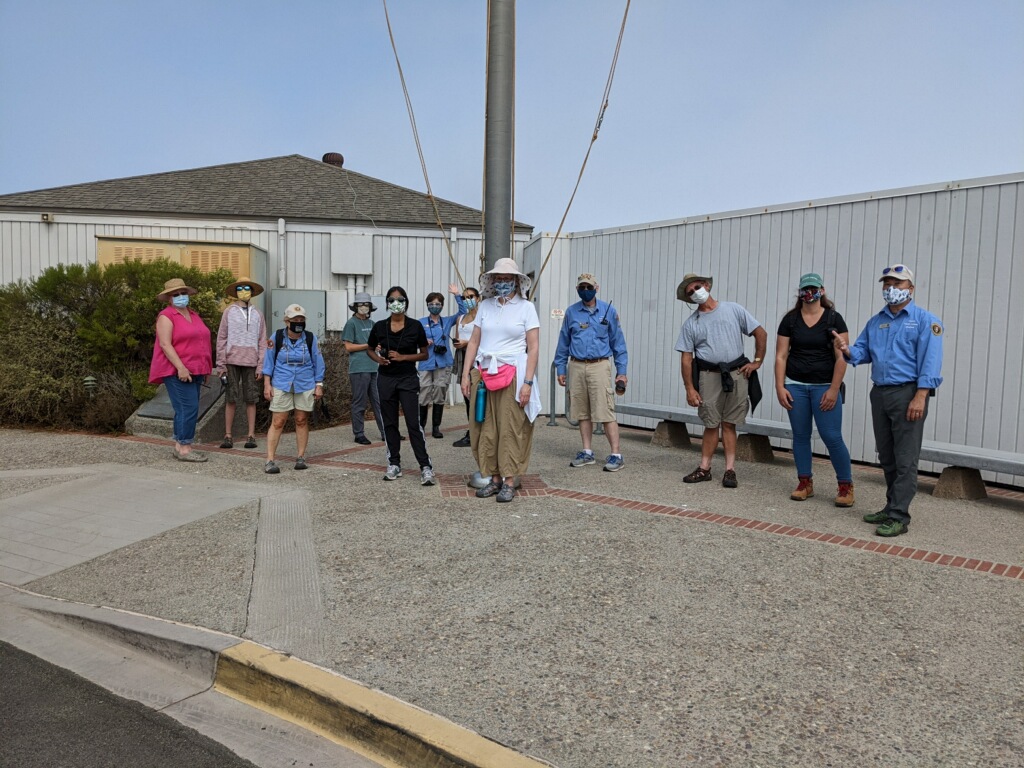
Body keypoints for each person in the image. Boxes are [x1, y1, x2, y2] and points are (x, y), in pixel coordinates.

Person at [833, 264, 943, 537]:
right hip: (881, 394)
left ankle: (899, 516)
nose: (891, 289)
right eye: (887, 284)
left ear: (911, 289)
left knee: (905, 458)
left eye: (897, 284)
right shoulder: (876, 321)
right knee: (887, 455)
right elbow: (861, 352)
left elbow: (931, 362)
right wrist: (847, 350)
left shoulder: (926, 321)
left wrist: (921, 395)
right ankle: (891, 505)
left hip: (909, 394)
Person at [460, 257, 541, 503]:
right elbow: (474, 341)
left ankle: (509, 479)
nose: (503, 283)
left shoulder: (526, 308)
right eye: (499, 279)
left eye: (508, 279)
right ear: (492, 281)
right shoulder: (485, 306)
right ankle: (494, 477)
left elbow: (534, 347)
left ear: (517, 282)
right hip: (484, 372)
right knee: (485, 427)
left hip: (513, 372)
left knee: (511, 428)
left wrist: (527, 382)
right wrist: (465, 374)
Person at [675, 272, 767, 488]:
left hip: (737, 374)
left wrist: (756, 362)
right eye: (690, 293)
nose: (695, 293)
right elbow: (686, 358)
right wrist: (690, 388)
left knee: (729, 423)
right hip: (709, 376)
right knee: (710, 423)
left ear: (706, 285)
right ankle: (704, 468)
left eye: (697, 287)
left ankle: (730, 470)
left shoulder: (733, 309)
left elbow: (760, 333)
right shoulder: (691, 324)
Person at [775, 273, 854, 506]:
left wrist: (834, 389)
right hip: (795, 386)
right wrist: (780, 386)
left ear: (822, 290)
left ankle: (845, 486)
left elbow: (842, 357)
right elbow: (781, 356)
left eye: (813, 288)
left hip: (824, 386)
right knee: (800, 436)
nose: (809, 292)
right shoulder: (790, 320)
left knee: (832, 436)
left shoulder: (834, 319)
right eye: (805, 289)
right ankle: (804, 482)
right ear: (799, 292)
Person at [554, 272, 629, 472]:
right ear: (577, 289)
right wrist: (560, 367)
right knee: (581, 411)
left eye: (589, 287)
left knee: (605, 410)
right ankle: (587, 452)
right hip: (576, 365)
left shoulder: (609, 311)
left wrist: (621, 372)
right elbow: (563, 342)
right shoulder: (571, 312)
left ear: (596, 288)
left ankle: (616, 454)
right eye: (582, 288)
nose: (585, 291)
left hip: (599, 365)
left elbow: (618, 344)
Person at [367, 286, 436, 485]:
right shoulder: (380, 326)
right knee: (389, 423)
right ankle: (394, 463)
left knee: (413, 424)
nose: (396, 303)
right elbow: (370, 349)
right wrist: (378, 360)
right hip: (385, 379)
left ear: (406, 302)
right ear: (387, 303)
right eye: (392, 299)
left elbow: (424, 353)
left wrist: (403, 357)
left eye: (400, 299)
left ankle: (425, 467)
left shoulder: (415, 326)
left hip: (407, 378)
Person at [149, 278, 213, 463]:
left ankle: (179, 445)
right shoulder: (166, 316)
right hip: (178, 370)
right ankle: (185, 447)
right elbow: (165, 344)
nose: (180, 297)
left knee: (184, 408)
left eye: (182, 293)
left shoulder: (194, 315)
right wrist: (181, 367)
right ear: (169, 298)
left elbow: (202, 342)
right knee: (188, 407)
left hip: (196, 369)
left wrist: (206, 368)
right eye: (175, 294)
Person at [261, 304, 325, 474]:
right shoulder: (277, 338)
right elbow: (268, 362)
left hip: (305, 383)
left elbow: (318, 362)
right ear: (286, 321)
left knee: (301, 419)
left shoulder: (311, 338)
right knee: (278, 421)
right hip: (282, 382)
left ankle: (301, 457)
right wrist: (267, 384)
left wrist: (319, 385)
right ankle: (270, 460)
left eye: (301, 319)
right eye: (295, 319)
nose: (298, 322)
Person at [215, 276, 267, 450]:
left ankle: (251, 435)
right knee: (231, 398)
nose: (243, 291)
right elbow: (221, 338)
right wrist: (220, 364)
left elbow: (262, 341)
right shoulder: (229, 312)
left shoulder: (258, 314)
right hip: (231, 361)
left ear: (252, 292)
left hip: (251, 362)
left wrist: (261, 365)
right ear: (235, 292)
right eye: (240, 288)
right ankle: (228, 435)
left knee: (251, 399)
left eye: (247, 288)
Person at [418, 283, 468, 439]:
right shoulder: (420, 322)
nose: (435, 306)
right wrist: (423, 342)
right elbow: (413, 340)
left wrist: (457, 294)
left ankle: (436, 427)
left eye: (438, 304)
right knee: (424, 393)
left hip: (443, 361)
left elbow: (463, 311)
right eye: (431, 304)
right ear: (427, 305)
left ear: (442, 305)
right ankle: (420, 428)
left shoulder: (446, 321)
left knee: (440, 392)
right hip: (426, 362)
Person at [342, 292, 385, 445]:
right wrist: (368, 345)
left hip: (374, 367)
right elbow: (348, 346)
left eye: (366, 304)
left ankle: (385, 432)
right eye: (361, 304)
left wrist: (378, 346)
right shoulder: (351, 323)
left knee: (379, 401)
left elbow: (376, 344)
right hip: (359, 368)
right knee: (359, 402)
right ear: (355, 306)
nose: (364, 307)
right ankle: (359, 434)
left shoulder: (372, 324)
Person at [450, 285, 481, 448]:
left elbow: (485, 341)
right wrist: (458, 344)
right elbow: (457, 337)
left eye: (470, 297)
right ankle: (472, 431)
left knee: (477, 397)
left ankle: (475, 432)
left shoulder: (482, 317)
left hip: (477, 359)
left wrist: (467, 343)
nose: (467, 300)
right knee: (467, 396)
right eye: (464, 298)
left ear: (478, 298)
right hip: (462, 356)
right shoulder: (460, 318)